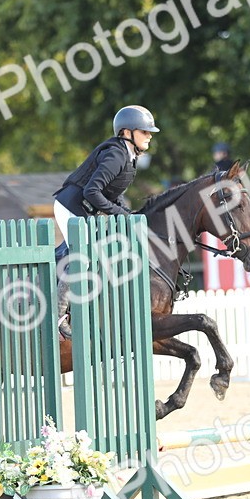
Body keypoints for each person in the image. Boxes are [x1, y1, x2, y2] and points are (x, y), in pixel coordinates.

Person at [52, 104, 159, 338]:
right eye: (144, 131)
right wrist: (120, 214)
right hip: (71, 206)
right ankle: (58, 316)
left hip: (87, 208)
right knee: (85, 257)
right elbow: (92, 191)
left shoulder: (129, 157)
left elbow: (112, 193)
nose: (149, 136)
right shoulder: (116, 154)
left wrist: (128, 213)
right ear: (126, 132)